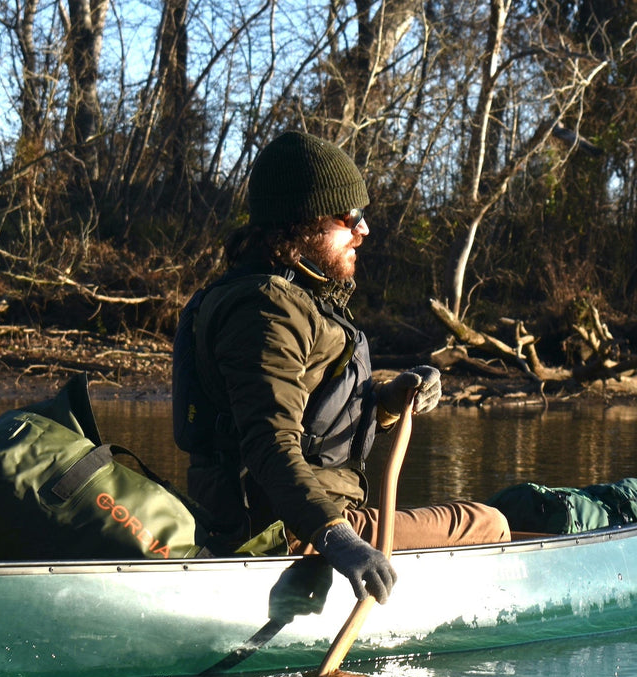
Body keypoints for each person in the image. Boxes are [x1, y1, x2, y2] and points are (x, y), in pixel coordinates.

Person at [172, 130, 510, 606]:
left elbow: (316, 416)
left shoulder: (286, 298)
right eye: (349, 217)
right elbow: (269, 446)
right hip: (289, 531)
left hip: (299, 518)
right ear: (303, 224)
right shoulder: (269, 309)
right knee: (489, 523)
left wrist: (390, 400)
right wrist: (338, 538)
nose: (364, 230)